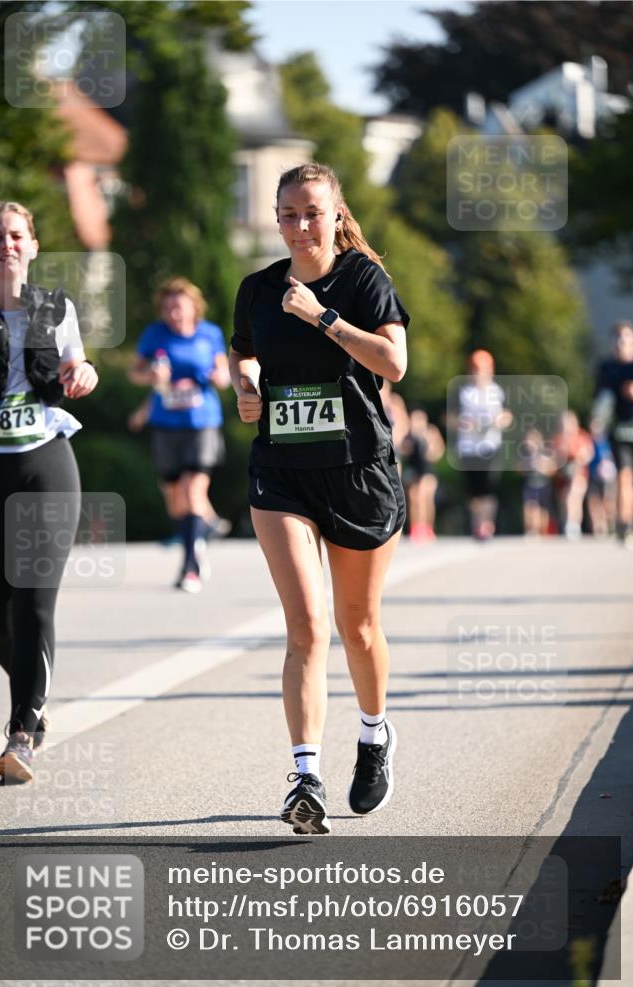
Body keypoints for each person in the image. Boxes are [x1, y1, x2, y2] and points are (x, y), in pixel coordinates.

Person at [229, 162, 409, 835]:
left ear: (336, 215)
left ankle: (373, 735)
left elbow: (393, 366)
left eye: (312, 212)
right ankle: (304, 777)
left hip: (358, 469)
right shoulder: (257, 288)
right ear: (275, 219)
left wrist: (325, 317)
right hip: (281, 471)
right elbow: (243, 351)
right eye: (288, 214)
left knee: (356, 626)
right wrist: (245, 385)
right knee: (306, 624)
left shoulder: (363, 279)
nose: (300, 226)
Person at [0, 200, 98, 783]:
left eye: (17, 235)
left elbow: (78, 366)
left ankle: (22, 730)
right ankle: (34, 695)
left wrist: (85, 373)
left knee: (32, 597)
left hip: (45, 462)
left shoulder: (56, 306)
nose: (7, 245)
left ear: (33, 245)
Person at [128, 277, 230, 592]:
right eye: (168, 307)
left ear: (193, 307)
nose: (173, 313)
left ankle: (190, 567)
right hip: (165, 423)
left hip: (202, 422)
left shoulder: (209, 334)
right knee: (174, 500)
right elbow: (135, 373)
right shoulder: (154, 335)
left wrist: (216, 376)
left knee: (192, 490)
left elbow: (225, 376)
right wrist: (151, 375)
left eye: (179, 306)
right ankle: (199, 533)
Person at [592, 320, 633, 548]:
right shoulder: (607, 369)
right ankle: (626, 524)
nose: (623, 345)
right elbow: (602, 400)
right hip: (622, 430)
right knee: (624, 476)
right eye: (618, 340)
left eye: (627, 340)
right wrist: (598, 419)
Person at [454, 350, 512, 541]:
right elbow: (449, 417)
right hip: (468, 447)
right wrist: (463, 423)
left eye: (482, 369)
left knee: (488, 488)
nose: (478, 373)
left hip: (489, 445)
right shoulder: (463, 392)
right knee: (474, 491)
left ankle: (485, 525)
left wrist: (496, 421)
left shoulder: (497, 391)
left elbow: (507, 415)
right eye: (475, 369)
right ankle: (477, 522)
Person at [401, 407, 445, 543]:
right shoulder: (408, 434)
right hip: (414, 470)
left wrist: (431, 448)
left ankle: (427, 527)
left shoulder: (430, 432)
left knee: (426, 498)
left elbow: (438, 451)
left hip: (427, 470)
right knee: (414, 499)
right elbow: (403, 450)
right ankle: (416, 527)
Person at [551, 411, 594, 541]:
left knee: (574, 497)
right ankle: (567, 523)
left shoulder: (582, 436)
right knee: (564, 500)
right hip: (563, 475)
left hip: (579, 473)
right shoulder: (558, 439)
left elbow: (588, 454)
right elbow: (554, 458)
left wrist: (577, 461)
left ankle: (573, 524)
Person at [518, 428, 556, 537]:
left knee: (543, 510)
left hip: (543, 485)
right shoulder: (525, 457)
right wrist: (527, 466)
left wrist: (543, 468)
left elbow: (552, 470)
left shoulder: (546, 455)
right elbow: (520, 470)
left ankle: (542, 531)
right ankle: (531, 530)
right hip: (530, 485)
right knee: (530, 507)